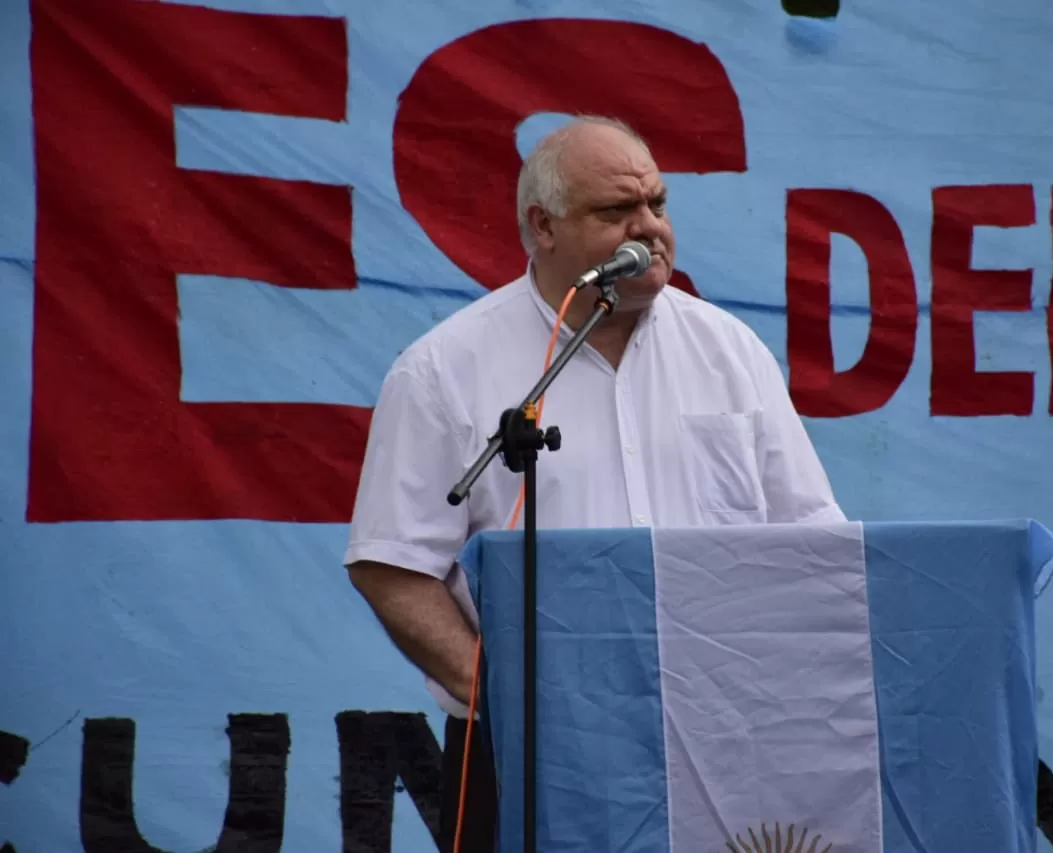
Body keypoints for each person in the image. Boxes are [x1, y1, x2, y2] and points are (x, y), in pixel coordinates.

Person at [343, 115, 845, 851]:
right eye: (617, 212)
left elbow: (811, 542)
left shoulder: (730, 351)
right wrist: (503, 695)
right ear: (542, 227)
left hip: (718, 740)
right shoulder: (444, 369)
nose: (650, 229)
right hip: (529, 749)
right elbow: (391, 565)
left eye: (659, 206)